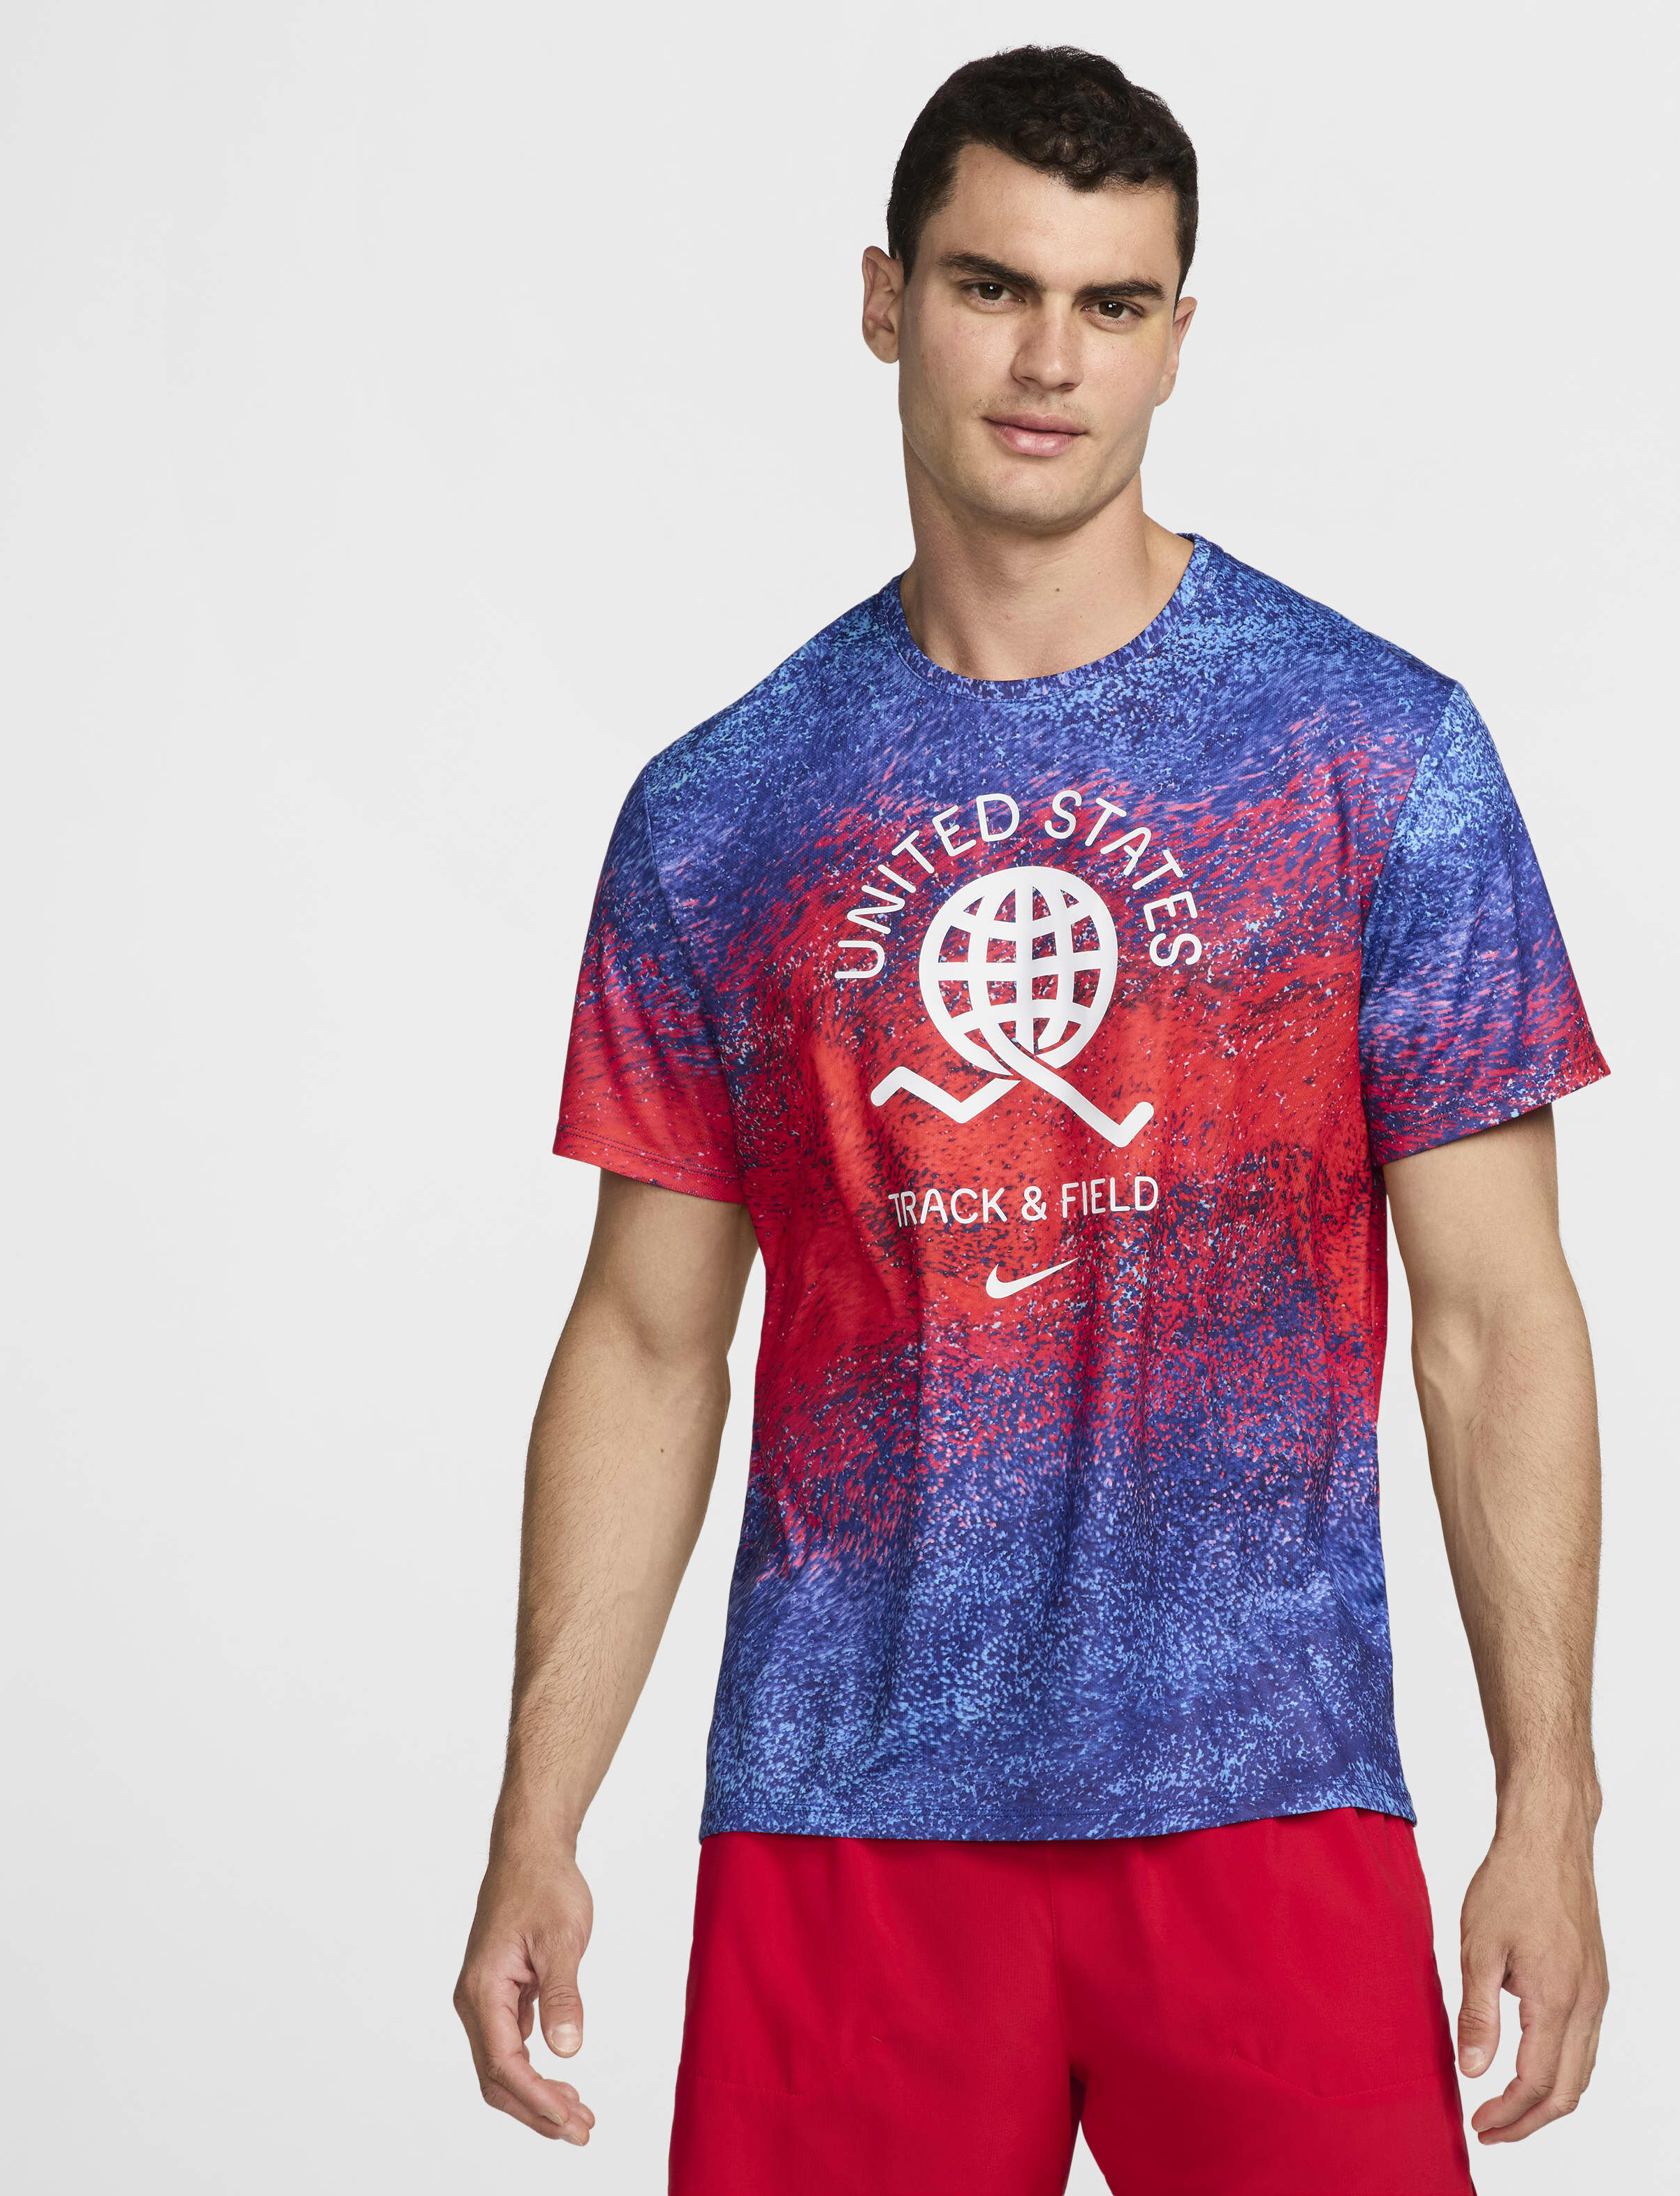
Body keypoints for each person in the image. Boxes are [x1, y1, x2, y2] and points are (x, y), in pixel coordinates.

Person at [453, 44, 1610, 2195]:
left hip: (1266, 1785)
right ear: (886, 300)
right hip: (846, 1809)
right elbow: (645, 1339)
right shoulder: (725, 813)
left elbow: (1494, 1324)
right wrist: (539, 1808)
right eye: (995, 288)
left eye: (1112, 304)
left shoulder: (1374, 755)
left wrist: (1552, 1796)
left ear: (1179, 335)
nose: (1050, 361)